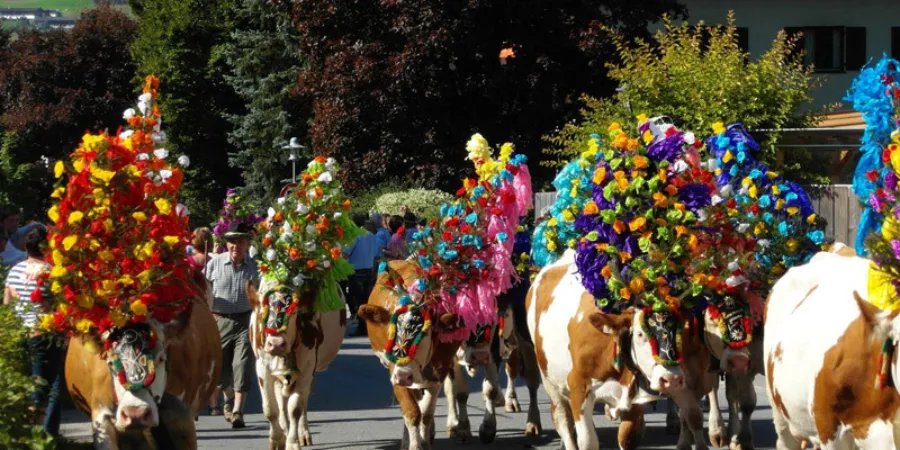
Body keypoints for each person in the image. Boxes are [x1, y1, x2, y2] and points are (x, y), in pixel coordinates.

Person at [3, 226, 65, 437]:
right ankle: (40, 435)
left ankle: (31, 433)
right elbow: (54, 307)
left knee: (28, 384)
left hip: (20, 334)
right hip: (45, 334)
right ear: (46, 247)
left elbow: (7, 304)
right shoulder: (50, 272)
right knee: (45, 387)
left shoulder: (15, 270)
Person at [205, 222, 259, 428]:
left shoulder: (254, 267)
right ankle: (228, 398)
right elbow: (205, 292)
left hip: (246, 321)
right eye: (232, 242)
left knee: (242, 365)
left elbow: (261, 295)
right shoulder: (214, 265)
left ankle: (238, 410)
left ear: (247, 244)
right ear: (226, 244)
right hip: (219, 320)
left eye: (240, 241)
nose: (236, 245)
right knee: (220, 372)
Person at [344, 213, 377, 336]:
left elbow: (346, 253)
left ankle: (362, 327)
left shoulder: (354, 236)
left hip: (356, 271)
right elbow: (375, 254)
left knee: (358, 300)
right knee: (366, 299)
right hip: (368, 270)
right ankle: (367, 326)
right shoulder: (371, 235)